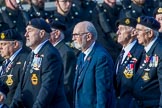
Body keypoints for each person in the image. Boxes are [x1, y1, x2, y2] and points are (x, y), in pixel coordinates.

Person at [10, 18, 69, 108]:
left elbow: (47, 89)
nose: (26, 35)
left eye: (30, 31)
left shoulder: (50, 55)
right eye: (26, 31)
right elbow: (21, 86)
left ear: (41, 33)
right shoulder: (31, 54)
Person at [73, 21, 115, 108]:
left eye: (76, 35)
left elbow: (102, 91)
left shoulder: (101, 57)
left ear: (88, 36)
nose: (73, 38)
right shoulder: (81, 54)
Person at [133, 16, 162, 107]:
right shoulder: (144, 50)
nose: (135, 33)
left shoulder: (159, 51)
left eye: (139, 30)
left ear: (150, 33)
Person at [115, 17, 144, 108]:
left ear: (134, 32)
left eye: (121, 29)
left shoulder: (140, 52)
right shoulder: (121, 53)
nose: (117, 32)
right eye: (117, 29)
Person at [49, 20, 76, 107]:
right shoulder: (51, 50)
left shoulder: (66, 52)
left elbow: (66, 83)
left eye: (47, 32)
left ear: (56, 34)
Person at [0, 29, 29, 106]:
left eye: (3, 44)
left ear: (15, 44)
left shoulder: (25, 60)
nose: (0, 47)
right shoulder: (5, 62)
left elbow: (24, 89)